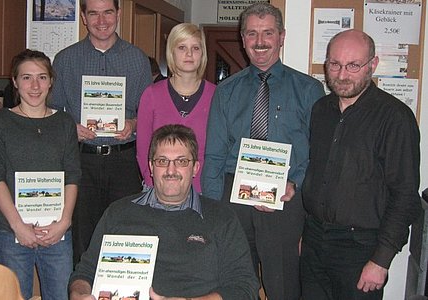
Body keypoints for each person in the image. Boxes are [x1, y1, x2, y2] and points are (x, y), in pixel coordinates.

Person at [201, 2, 325, 299]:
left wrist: (295, 184)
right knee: (232, 281)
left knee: (282, 284)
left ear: (282, 36)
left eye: (268, 33)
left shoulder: (309, 90)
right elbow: (215, 156)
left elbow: (318, 155)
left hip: (286, 197)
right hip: (234, 200)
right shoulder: (226, 91)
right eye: (252, 34)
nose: (260, 42)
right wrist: (211, 211)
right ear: (242, 39)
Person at [69, 124, 259, 300]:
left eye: (181, 161)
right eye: (162, 161)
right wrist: (80, 294)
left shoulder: (221, 217)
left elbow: (244, 285)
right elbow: (85, 272)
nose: (171, 170)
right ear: (151, 167)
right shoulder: (118, 213)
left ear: (195, 168)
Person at [300, 29, 421, 300]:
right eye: (335, 64)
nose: (342, 75)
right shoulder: (321, 110)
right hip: (315, 242)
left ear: (372, 65)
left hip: (361, 249)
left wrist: (381, 260)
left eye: (353, 65)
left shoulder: (395, 118)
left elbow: (405, 196)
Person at [50, 0, 152, 265]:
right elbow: (51, 113)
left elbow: (150, 113)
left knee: (126, 236)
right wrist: (70, 128)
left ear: (118, 14)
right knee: (83, 240)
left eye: (108, 12)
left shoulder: (137, 59)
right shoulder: (65, 60)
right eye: (93, 13)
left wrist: (134, 123)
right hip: (82, 162)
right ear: (83, 17)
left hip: (124, 162)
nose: (102, 20)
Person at [0, 49, 81, 300]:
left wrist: (64, 222)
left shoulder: (65, 123)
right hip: (11, 232)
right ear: (15, 82)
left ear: (51, 81)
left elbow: (72, 174)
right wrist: (18, 226)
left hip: (56, 232)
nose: (35, 86)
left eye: (42, 77)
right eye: (26, 77)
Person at [137, 23, 216, 193]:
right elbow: (143, 149)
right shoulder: (151, 94)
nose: (189, 54)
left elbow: (219, 152)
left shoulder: (217, 96)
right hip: (158, 191)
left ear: (202, 54)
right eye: (182, 47)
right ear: (171, 52)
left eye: (195, 48)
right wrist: (153, 185)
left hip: (203, 191)